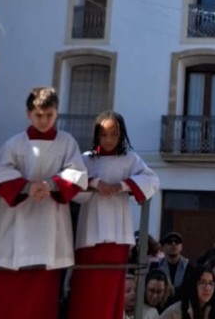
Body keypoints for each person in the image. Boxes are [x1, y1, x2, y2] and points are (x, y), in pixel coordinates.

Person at [0, 86, 88, 319]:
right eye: (38, 116)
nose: (44, 121)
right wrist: (26, 186)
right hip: (15, 226)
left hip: (50, 225)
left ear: (57, 112)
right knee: (10, 298)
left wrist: (51, 185)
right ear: (28, 114)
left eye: (49, 115)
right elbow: (1, 173)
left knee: (41, 300)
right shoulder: (14, 144)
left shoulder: (67, 142)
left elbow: (77, 174)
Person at [68, 111, 160, 319]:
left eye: (114, 134)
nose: (109, 139)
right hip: (89, 237)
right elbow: (70, 180)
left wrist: (123, 185)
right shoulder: (85, 159)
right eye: (104, 134)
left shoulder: (130, 160)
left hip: (118, 237)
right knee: (85, 292)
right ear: (96, 135)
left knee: (111, 293)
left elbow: (152, 180)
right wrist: (94, 182)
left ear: (121, 134)